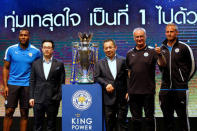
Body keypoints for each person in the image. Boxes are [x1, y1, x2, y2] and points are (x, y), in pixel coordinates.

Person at [126, 27, 166, 131]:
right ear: (134, 38)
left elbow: (162, 64)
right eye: (137, 37)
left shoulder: (153, 51)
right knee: (135, 120)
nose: (139, 39)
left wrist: (160, 54)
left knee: (149, 119)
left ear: (145, 37)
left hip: (148, 91)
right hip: (133, 92)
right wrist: (128, 89)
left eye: (141, 36)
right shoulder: (130, 53)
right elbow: (129, 72)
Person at [159, 23, 196, 131]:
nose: (169, 34)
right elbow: (161, 68)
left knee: (182, 118)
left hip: (180, 89)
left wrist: (183, 80)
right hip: (165, 89)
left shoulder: (184, 47)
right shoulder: (162, 48)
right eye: (167, 32)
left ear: (176, 32)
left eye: (171, 31)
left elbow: (192, 66)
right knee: (167, 119)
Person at [3, 29, 41, 131]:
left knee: (24, 113)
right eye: (21, 35)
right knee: (9, 112)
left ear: (29, 37)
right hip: (12, 85)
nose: (23, 37)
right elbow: (6, 68)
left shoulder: (36, 52)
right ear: (19, 36)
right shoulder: (10, 49)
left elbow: (39, 69)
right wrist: (5, 86)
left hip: (27, 85)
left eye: (25, 35)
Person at [29, 40, 65, 131]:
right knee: (37, 126)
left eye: (49, 48)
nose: (46, 50)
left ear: (52, 50)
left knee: (51, 125)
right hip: (38, 99)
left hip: (53, 99)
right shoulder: (35, 63)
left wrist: (59, 97)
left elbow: (62, 82)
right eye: (45, 47)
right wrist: (31, 97)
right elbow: (32, 81)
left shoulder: (59, 64)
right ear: (42, 49)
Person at [94, 39, 128, 131]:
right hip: (108, 98)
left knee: (122, 123)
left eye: (110, 47)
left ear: (115, 48)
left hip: (122, 98)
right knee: (109, 124)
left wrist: (129, 91)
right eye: (106, 48)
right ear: (103, 50)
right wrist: (106, 84)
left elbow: (128, 77)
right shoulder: (99, 63)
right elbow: (96, 77)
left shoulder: (124, 61)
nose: (108, 50)